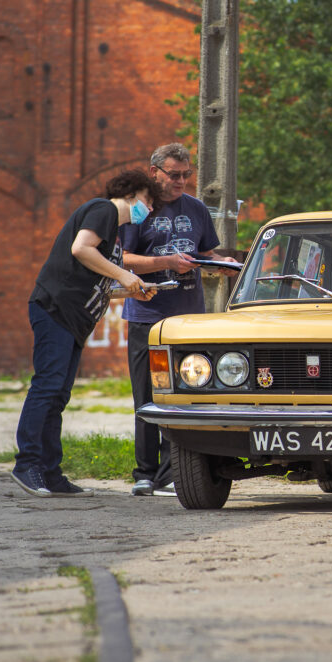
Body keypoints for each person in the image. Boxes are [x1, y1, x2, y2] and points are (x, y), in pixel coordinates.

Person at [13, 170, 160, 497]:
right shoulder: (104, 209)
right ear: (132, 193)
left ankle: (51, 474)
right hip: (55, 309)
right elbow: (81, 249)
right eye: (147, 202)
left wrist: (133, 290)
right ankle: (27, 463)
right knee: (48, 386)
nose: (148, 210)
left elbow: (98, 283)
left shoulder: (115, 235)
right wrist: (124, 273)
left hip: (73, 319)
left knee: (59, 394)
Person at [120, 143, 239, 497]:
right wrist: (166, 262)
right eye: (175, 175)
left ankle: (174, 471)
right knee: (146, 394)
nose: (182, 181)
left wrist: (226, 265)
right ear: (154, 172)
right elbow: (124, 259)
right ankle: (145, 473)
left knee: (185, 393)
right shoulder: (137, 210)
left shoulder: (197, 208)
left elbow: (205, 252)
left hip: (188, 317)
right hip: (147, 315)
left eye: (187, 175)